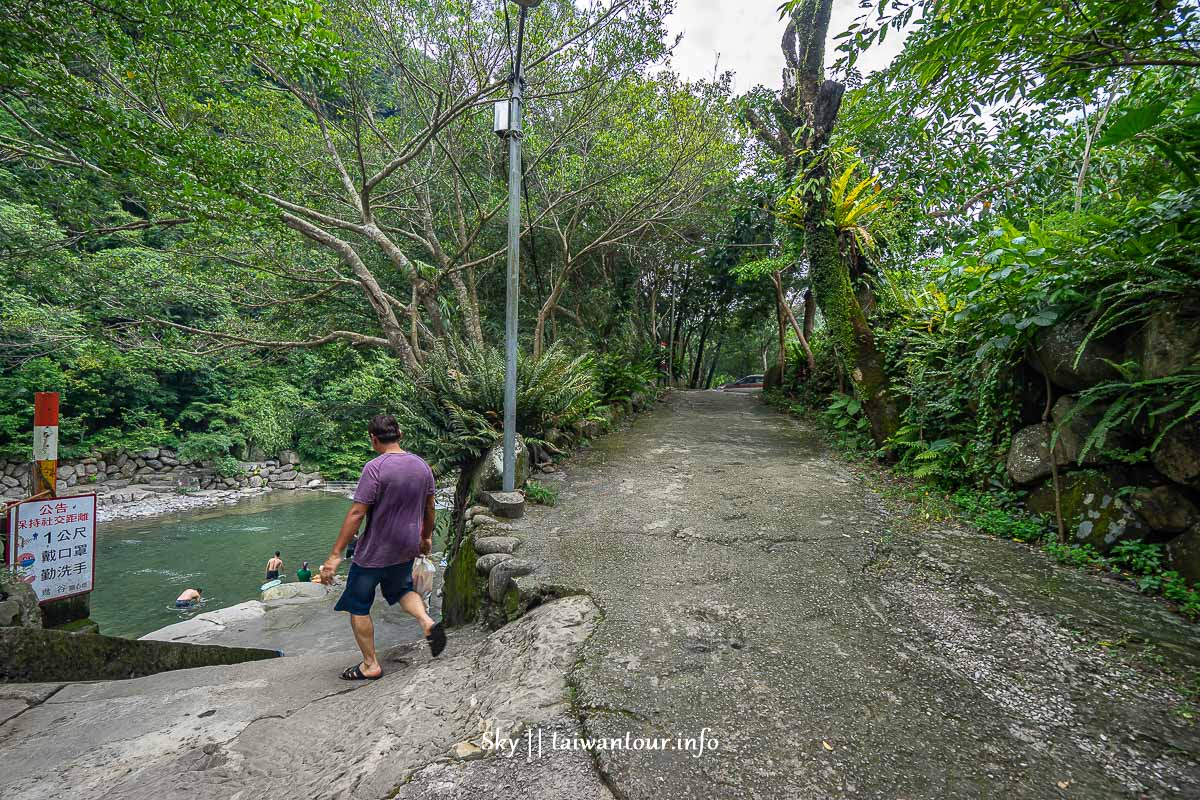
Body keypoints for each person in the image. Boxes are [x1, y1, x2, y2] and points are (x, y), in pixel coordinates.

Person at [322, 414, 445, 681]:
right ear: (400, 434)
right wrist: (425, 538)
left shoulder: (375, 468)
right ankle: (427, 622)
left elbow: (357, 513)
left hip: (375, 551)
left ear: (373, 439)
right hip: (407, 547)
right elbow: (430, 506)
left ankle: (370, 665)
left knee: (358, 604)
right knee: (402, 589)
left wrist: (335, 555)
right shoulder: (422, 466)